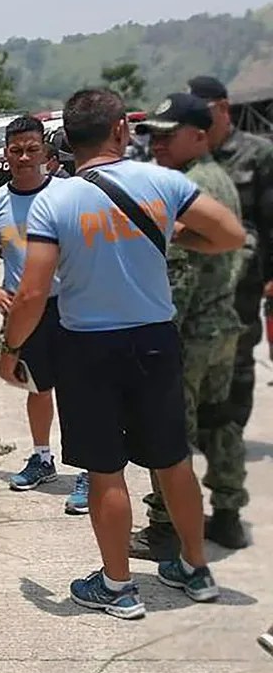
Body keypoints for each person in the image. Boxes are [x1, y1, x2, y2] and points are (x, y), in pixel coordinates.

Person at [0, 88, 244, 619]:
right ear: (120, 131)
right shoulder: (161, 182)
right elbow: (228, 235)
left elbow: (33, 293)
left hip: (87, 347)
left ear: (64, 139)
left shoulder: (55, 200)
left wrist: (11, 348)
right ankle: (195, 570)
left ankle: (117, 586)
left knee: (106, 472)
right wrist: (173, 237)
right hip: (156, 340)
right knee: (173, 461)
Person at [128, 95, 244, 561]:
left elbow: (179, 275)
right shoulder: (216, 178)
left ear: (199, 132)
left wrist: (157, 340)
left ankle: (164, 527)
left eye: (166, 134)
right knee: (219, 422)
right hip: (222, 325)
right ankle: (229, 514)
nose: (156, 144)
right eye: (151, 135)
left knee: (168, 431)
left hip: (190, 330)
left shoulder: (187, 188)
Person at [0, 116, 88, 514]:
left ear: (46, 153)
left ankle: (90, 470)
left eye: (32, 149)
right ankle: (42, 458)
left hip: (70, 306)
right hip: (25, 308)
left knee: (79, 389)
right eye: (16, 149)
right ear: (5, 153)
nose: (24, 157)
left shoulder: (71, 193)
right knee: (38, 387)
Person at [184, 75, 273, 549]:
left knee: (229, 401)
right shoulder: (187, 160)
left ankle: (225, 506)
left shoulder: (256, 155)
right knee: (193, 410)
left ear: (223, 109)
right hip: (197, 299)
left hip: (240, 294)